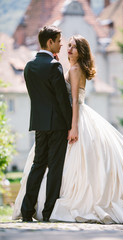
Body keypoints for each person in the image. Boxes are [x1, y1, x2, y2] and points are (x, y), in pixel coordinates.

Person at [13, 35, 123, 224]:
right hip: (73, 116)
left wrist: (73, 127)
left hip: (76, 117)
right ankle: (47, 207)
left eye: (73, 47)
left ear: (81, 51)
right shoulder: (71, 68)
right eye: (68, 46)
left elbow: (73, 100)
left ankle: (51, 206)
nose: (69, 49)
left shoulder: (74, 69)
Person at [19, 25, 72, 222]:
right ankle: (48, 213)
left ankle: (26, 211)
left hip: (39, 123)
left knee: (38, 165)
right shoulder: (54, 66)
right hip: (57, 125)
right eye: (58, 40)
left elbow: (38, 95)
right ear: (49, 42)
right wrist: (70, 125)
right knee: (55, 168)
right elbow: (61, 99)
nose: (61, 44)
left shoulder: (29, 66)